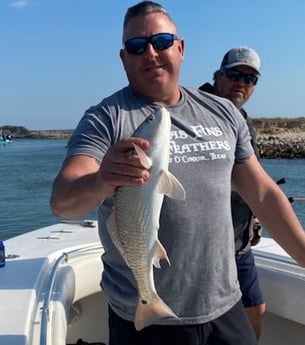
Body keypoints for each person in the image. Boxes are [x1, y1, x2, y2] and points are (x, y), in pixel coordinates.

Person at [50, 2, 305, 344]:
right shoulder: (105, 119)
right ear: (124, 58)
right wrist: (101, 180)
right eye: (137, 47)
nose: (151, 53)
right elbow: (63, 202)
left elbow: (262, 194)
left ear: (181, 48)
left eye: (162, 41)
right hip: (144, 320)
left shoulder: (224, 112)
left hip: (225, 307)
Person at [199, 47, 265, 339]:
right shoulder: (193, 114)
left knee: (255, 308)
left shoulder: (243, 121)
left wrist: (254, 220)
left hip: (239, 243)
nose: (241, 83)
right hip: (205, 249)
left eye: (250, 79)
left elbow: (253, 184)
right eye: (234, 75)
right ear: (217, 76)